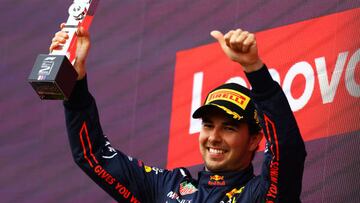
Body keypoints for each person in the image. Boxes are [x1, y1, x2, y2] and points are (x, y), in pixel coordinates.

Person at [51, 23, 306, 202]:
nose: (213, 137)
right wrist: (74, 85)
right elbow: (93, 154)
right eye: (208, 125)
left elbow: (288, 151)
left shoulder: (261, 195)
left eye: (229, 127)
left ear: (254, 139)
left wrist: (254, 69)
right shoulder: (168, 189)